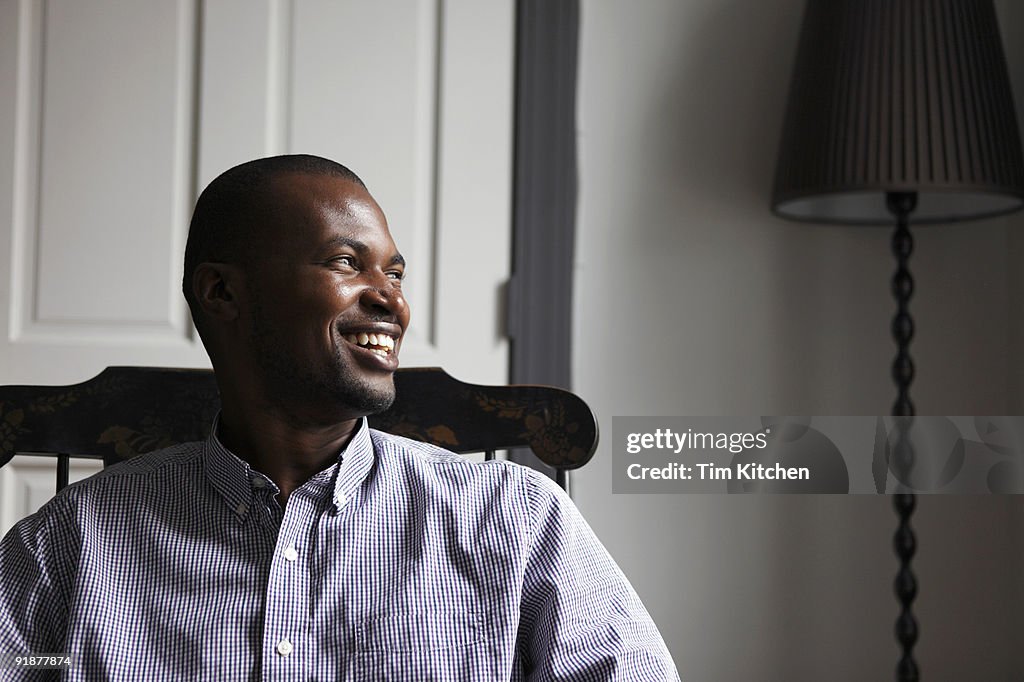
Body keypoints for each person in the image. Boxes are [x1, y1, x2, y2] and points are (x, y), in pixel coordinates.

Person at [0, 155, 679, 680]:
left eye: (397, 274)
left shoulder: (517, 520)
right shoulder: (68, 545)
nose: (392, 301)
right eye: (347, 262)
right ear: (223, 292)